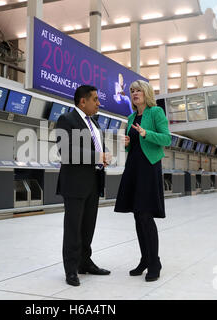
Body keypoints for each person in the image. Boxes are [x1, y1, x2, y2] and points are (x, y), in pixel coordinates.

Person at [114, 80, 171, 282]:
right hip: (134, 168)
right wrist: (128, 144)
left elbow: (167, 139)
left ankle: (155, 262)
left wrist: (146, 133)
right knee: (138, 216)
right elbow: (133, 147)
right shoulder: (130, 117)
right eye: (132, 91)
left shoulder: (156, 112)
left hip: (149, 168)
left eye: (138, 90)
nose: (135, 93)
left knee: (146, 216)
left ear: (146, 93)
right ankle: (145, 259)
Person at [56, 85, 111, 287]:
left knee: (88, 227)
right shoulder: (67, 120)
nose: (98, 103)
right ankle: (71, 269)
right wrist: (97, 156)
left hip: (94, 181)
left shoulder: (95, 123)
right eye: (95, 99)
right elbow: (66, 151)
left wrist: (103, 159)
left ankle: (85, 263)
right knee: (73, 228)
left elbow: (96, 148)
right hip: (75, 183)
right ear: (83, 101)